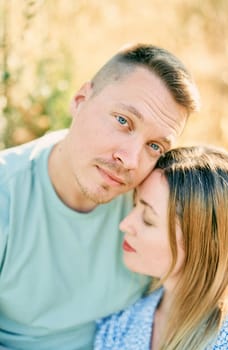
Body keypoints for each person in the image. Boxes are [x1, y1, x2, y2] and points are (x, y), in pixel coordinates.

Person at [0, 44, 200, 349]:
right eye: (123, 121)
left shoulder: (152, 207)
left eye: (155, 146)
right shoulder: (7, 194)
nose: (130, 160)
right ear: (80, 100)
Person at [94, 145, 228, 350]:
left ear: (201, 243)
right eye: (135, 205)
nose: (125, 224)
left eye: (148, 219)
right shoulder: (118, 325)